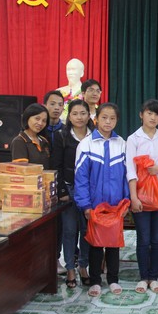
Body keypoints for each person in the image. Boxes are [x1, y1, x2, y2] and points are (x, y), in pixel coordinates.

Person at [75, 103, 129, 298]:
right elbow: (81, 178)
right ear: (96, 119)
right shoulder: (86, 145)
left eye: (112, 118)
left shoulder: (121, 144)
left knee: (113, 244)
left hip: (115, 206)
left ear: (117, 120)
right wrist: (86, 206)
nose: (108, 122)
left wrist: (126, 202)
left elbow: (127, 176)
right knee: (96, 245)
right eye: (104, 117)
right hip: (95, 207)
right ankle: (95, 281)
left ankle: (113, 279)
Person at [126, 99, 158, 295]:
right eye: (149, 113)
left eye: (157, 114)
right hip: (141, 196)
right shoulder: (133, 139)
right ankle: (143, 277)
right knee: (143, 238)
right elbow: (130, 170)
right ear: (141, 115)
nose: (153, 117)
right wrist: (133, 197)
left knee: (157, 238)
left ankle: (154, 278)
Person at [52, 99, 93, 289]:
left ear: (89, 115)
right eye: (75, 113)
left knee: (86, 230)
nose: (79, 117)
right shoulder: (62, 136)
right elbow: (56, 166)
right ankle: (70, 268)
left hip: (89, 191)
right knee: (69, 230)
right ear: (69, 116)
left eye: (83, 113)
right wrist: (61, 190)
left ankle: (83, 267)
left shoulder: (95, 136)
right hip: (68, 189)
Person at [11, 103, 51, 169]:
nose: (40, 123)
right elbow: (21, 169)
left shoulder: (44, 141)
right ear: (27, 117)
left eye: (44, 121)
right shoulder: (19, 141)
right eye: (37, 118)